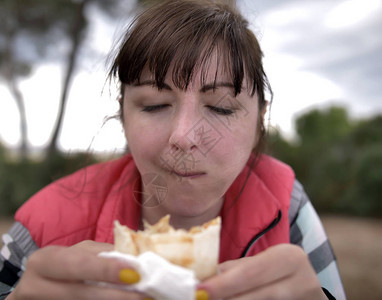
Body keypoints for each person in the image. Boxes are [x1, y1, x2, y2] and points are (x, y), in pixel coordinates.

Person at [0, 0, 346, 299]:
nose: (183, 136)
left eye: (222, 108)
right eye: (153, 105)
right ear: (123, 116)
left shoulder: (287, 204)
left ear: (259, 123)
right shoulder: (46, 223)